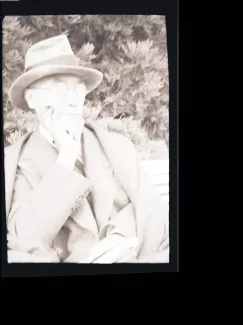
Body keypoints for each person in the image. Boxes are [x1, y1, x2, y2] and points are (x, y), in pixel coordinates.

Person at [4, 35, 169, 263]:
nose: (74, 101)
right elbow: (25, 239)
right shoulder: (16, 165)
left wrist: (126, 238)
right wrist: (66, 158)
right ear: (32, 99)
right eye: (61, 89)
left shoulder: (115, 145)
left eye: (79, 89)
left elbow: (149, 206)